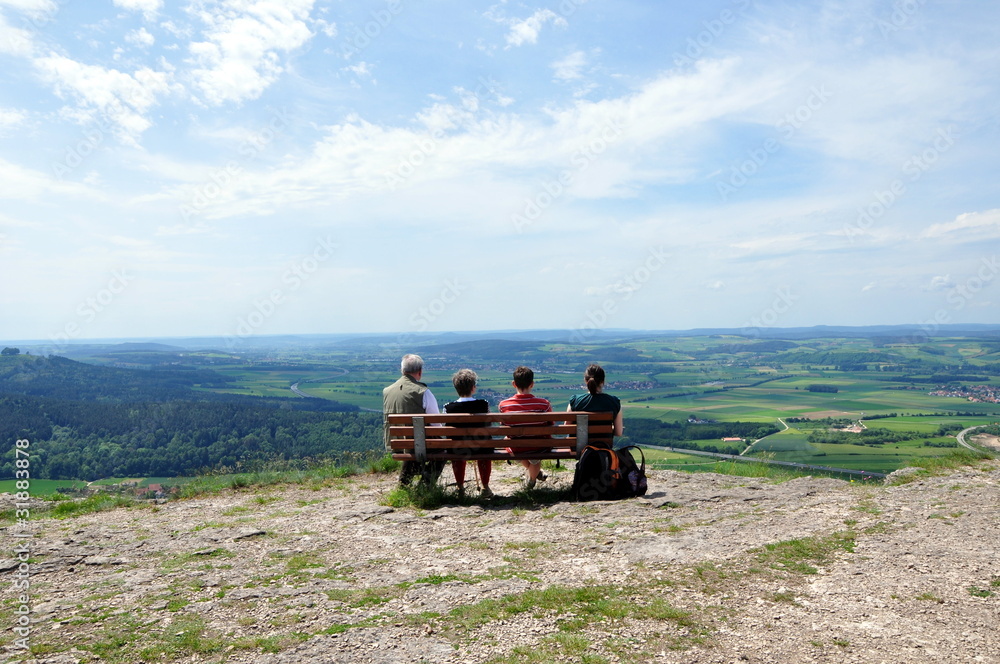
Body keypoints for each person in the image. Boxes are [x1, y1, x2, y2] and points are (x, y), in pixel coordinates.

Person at [383, 354, 444, 486]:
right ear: (420, 372)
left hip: (396, 442)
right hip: (418, 443)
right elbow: (436, 424)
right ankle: (425, 485)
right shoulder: (423, 392)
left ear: (402, 370)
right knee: (442, 451)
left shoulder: (387, 391)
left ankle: (404, 482)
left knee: (413, 444)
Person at [442, 369, 494, 498]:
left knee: (457, 451)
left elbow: (445, 427)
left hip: (458, 449)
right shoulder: (483, 404)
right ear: (473, 388)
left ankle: (460, 487)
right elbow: (488, 424)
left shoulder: (448, 407)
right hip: (481, 447)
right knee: (484, 452)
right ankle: (485, 487)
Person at [498, 366, 551, 489]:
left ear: (514, 384)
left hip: (517, 447)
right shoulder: (544, 404)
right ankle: (531, 482)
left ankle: (532, 476)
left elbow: (504, 426)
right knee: (535, 456)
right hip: (539, 447)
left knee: (508, 440)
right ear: (532, 384)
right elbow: (550, 425)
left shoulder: (504, 405)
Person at [566, 364, 623, 449]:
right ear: (602, 381)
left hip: (580, 449)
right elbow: (618, 432)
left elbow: (567, 428)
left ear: (586, 381)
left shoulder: (575, 401)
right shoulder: (614, 402)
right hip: (604, 447)